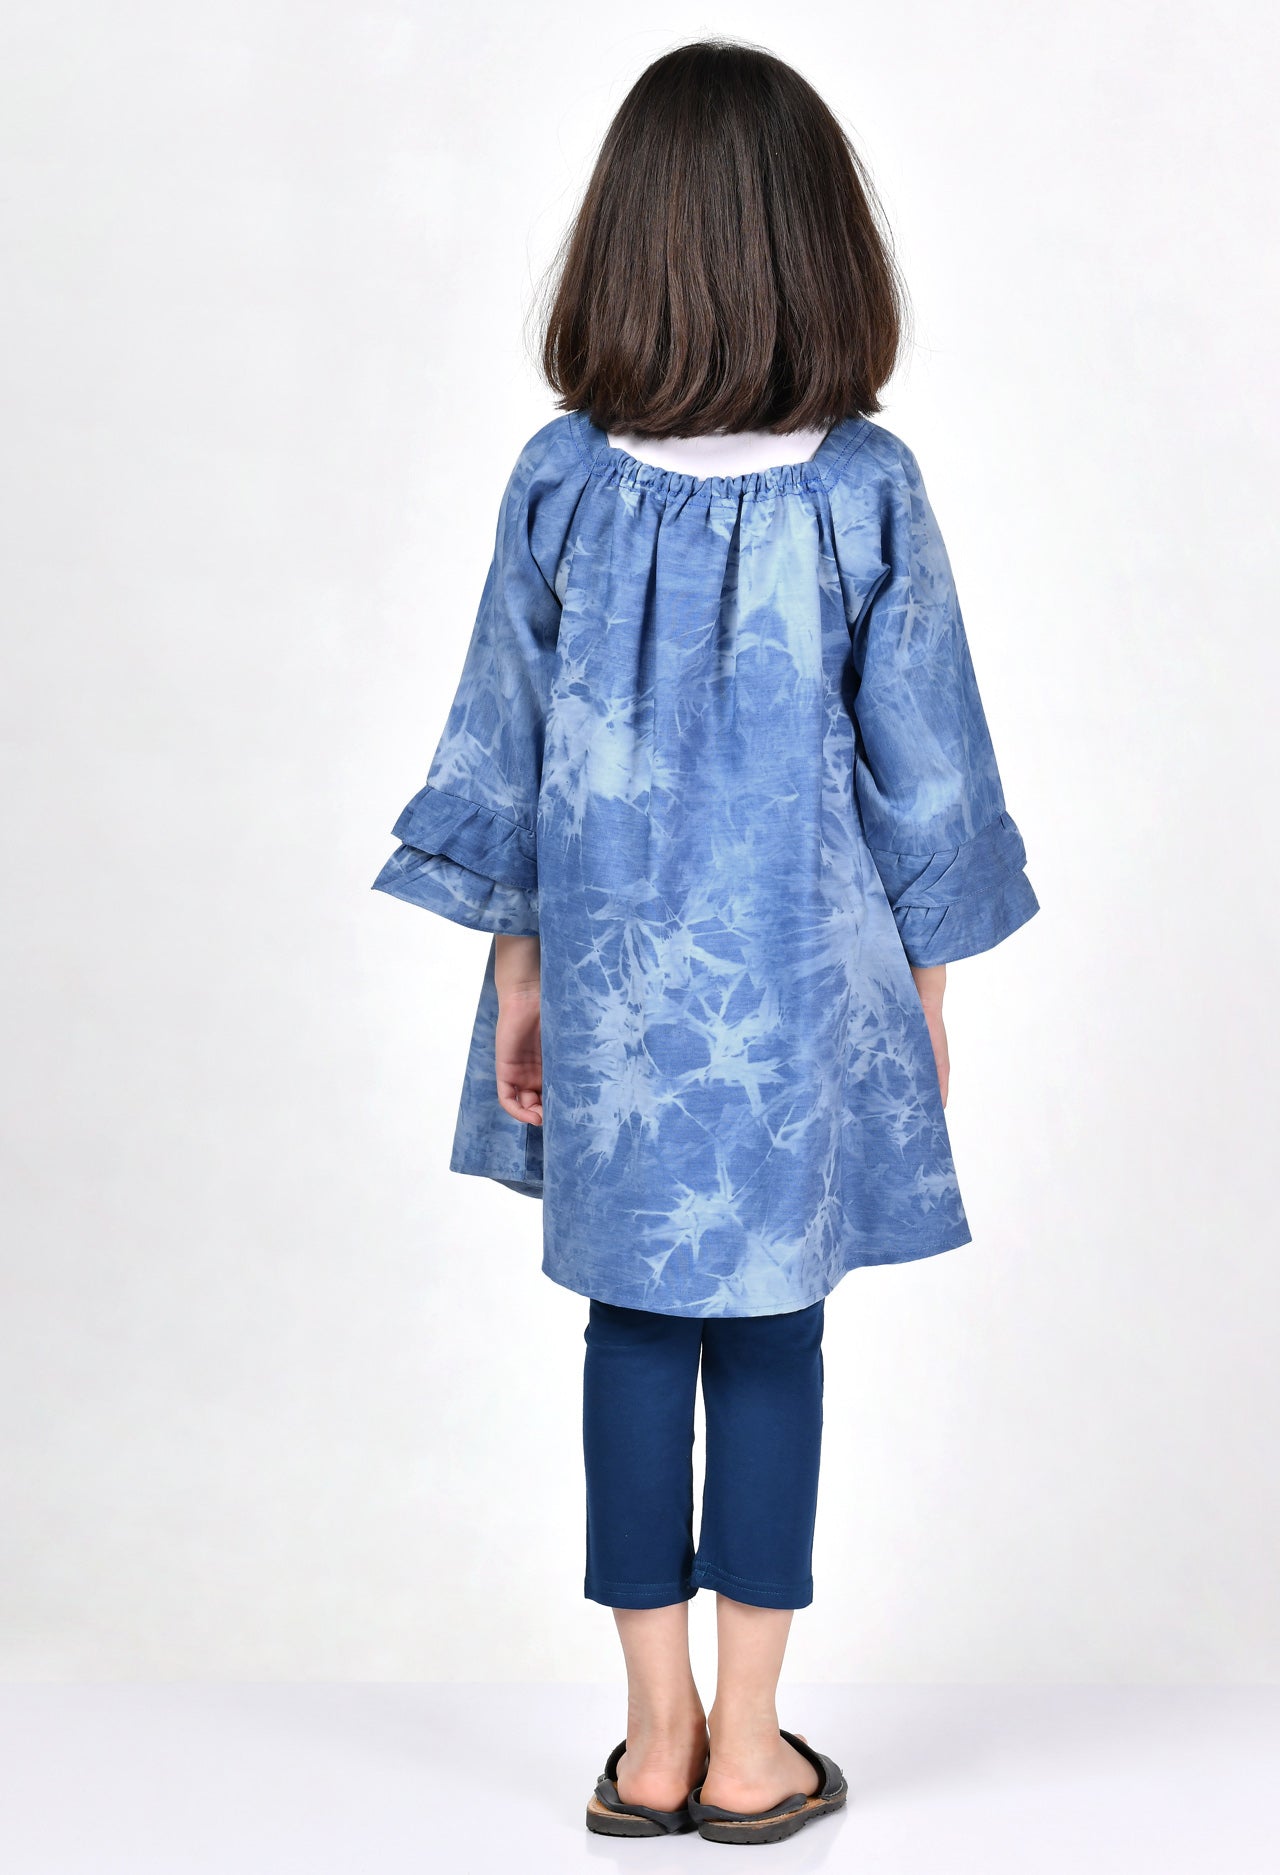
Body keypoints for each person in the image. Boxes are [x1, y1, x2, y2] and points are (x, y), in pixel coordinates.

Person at [371, 38, 1039, 1846]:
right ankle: (754, 1749)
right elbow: (929, 769)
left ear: (625, 247)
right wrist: (925, 998)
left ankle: (650, 1738)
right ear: (820, 250)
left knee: (630, 1333)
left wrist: (516, 981)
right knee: (772, 1341)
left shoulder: (560, 480)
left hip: (608, 994)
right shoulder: (866, 488)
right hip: (805, 1004)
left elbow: (502, 748)